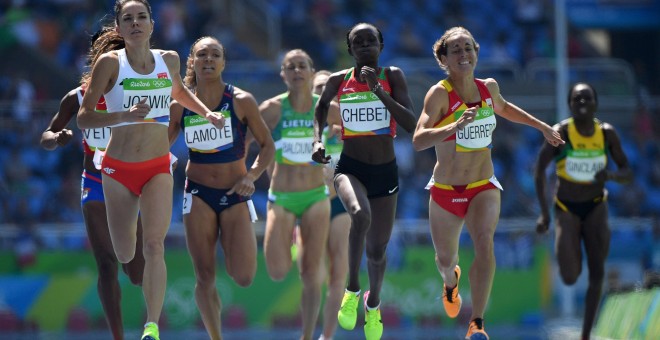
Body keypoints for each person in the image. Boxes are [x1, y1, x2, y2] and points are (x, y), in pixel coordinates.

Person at [76, 1, 225, 339]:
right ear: (119, 28)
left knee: (154, 246)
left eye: (141, 16)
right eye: (127, 19)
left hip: (158, 165)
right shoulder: (109, 64)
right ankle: (133, 222)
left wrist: (207, 114)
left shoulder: (168, 59)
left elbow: (179, 92)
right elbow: (85, 117)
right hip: (117, 169)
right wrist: (126, 115)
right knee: (126, 253)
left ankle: (151, 326)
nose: (135, 23)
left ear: (152, 24)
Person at [411, 26, 564, 340]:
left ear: (476, 53)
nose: (464, 54)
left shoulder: (488, 88)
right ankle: (450, 282)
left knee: (484, 242)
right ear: (444, 58)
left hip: (483, 185)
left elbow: (505, 108)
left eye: (468, 48)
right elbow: (418, 140)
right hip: (445, 192)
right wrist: (454, 125)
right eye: (456, 50)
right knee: (445, 259)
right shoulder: (439, 93)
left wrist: (542, 127)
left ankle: (476, 323)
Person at [312, 23, 417, 340]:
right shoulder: (337, 81)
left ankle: (373, 305)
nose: (365, 45)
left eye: (371, 40)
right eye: (358, 42)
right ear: (350, 49)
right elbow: (319, 109)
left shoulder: (393, 76)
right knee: (359, 215)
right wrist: (318, 141)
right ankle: (352, 290)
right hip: (350, 167)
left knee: (377, 252)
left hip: (385, 171)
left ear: (381, 45)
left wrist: (378, 91)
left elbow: (411, 124)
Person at [40, 27, 144, 340]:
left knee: (136, 273)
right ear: (95, 62)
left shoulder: (136, 91)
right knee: (106, 263)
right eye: (105, 59)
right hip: (96, 182)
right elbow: (45, 136)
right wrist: (56, 139)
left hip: (129, 182)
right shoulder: (78, 97)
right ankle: (118, 336)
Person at [168, 36, 274, 340]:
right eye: (202, 55)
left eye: (215, 54)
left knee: (243, 276)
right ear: (193, 62)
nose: (209, 59)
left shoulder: (241, 100)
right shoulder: (180, 106)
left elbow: (267, 146)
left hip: (235, 193)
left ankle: (231, 242)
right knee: (204, 276)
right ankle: (216, 337)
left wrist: (251, 176)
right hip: (197, 193)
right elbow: (161, 146)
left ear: (223, 63)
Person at [534, 82, 631, 340]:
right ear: (569, 104)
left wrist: (609, 174)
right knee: (569, 276)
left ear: (596, 103)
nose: (582, 104)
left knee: (597, 271)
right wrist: (544, 214)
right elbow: (539, 171)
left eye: (587, 99)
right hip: (566, 208)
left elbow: (627, 172)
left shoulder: (607, 134)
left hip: (597, 205)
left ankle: (586, 335)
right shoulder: (561, 133)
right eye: (577, 99)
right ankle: (571, 244)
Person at [260, 49, 339, 340]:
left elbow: (356, 138)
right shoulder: (271, 108)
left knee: (311, 275)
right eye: (290, 67)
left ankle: (307, 336)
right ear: (283, 74)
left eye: (302, 66)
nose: (296, 71)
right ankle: (293, 237)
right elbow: (247, 138)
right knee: (278, 271)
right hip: (281, 197)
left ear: (310, 70)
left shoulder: (327, 108)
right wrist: (258, 171)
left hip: (316, 196)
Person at [313, 70, 351, 340]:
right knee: (314, 274)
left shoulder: (347, 124)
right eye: (318, 87)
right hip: (309, 203)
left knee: (338, 272)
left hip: (339, 204)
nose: (323, 92)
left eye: (328, 88)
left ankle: (327, 336)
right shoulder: (300, 121)